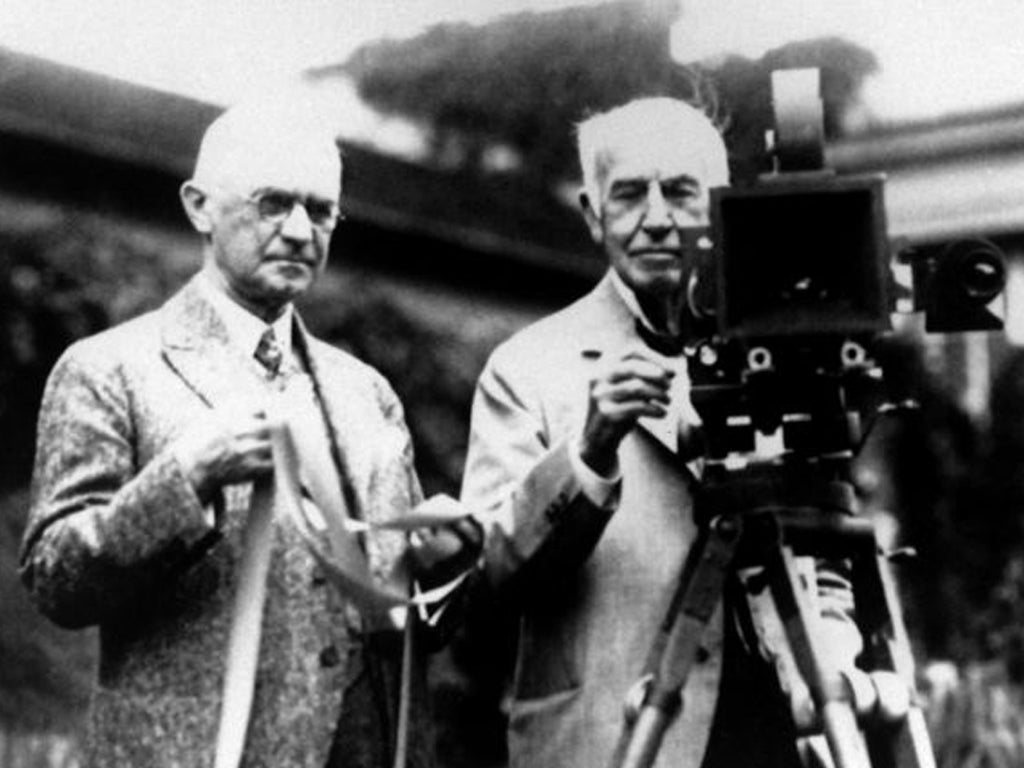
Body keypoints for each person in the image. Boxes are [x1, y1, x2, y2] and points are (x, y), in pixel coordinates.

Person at [19, 100, 478, 768]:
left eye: (320, 211)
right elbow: (54, 581)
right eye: (273, 203)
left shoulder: (366, 392)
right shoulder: (108, 368)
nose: (299, 231)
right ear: (200, 207)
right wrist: (184, 479)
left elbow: (402, 623)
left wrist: (439, 567)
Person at [460, 97, 858, 768]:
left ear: (722, 205)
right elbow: (491, 581)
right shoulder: (526, 367)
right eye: (629, 195)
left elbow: (825, 550)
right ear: (593, 214)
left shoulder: (781, 352)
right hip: (615, 739)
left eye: (680, 191)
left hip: (778, 731)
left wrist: (834, 676)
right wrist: (588, 452)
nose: (656, 220)